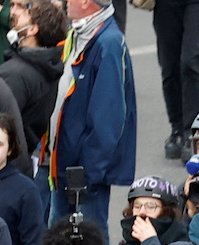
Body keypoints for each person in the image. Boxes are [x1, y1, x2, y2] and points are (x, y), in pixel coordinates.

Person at [43, 0, 133, 223]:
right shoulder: (79, 33)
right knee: (61, 244)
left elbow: (108, 119)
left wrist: (88, 174)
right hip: (64, 163)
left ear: (85, 2)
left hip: (83, 173)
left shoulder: (108, 43)